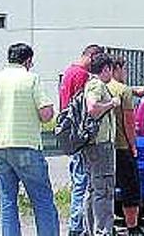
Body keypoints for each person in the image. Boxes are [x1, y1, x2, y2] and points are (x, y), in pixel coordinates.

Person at [0, 43, 59, 236]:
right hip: (26, 146)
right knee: (42, 199)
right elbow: (45, 114)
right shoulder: (31, 79)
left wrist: (0, 119)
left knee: (8, 201)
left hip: (0, 146)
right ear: (28, 61)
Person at [59, 44, 103, 236]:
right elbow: (84, 108)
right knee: (82, 182)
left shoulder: (69, 72)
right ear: (92, 56)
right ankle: (78, 226)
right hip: (79, 135)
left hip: (69, 133)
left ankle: (77, 225)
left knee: (77, 179)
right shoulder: (82, 76)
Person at [82, 52, 119, 236]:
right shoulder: (97, 85)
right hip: (101, 144)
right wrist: (111, 103)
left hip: (93, 145)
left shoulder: (90, 83)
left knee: (93, 187)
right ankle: (103, 230)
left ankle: (91, 228)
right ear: (106, 69)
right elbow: (93, 109)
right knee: (104, 188)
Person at [108, 56, 144, 236]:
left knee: (104, 188)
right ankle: (133, 227)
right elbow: (129, 121)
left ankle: (105, 225)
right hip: (122, 146)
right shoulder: (123, 91)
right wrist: (133, 145)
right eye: (124, 69)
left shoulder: (101, 87)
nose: (126, 73)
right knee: (130, 188)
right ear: (116, 69)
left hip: (104, 147)